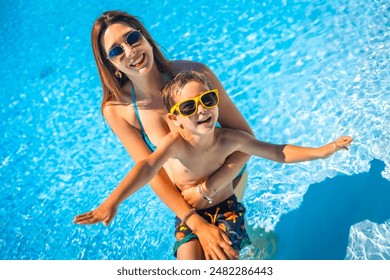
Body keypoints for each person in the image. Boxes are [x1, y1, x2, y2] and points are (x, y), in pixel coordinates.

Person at [74, 71, 354, 260]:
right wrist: (112, 202)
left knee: (221, 260)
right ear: (174, 120)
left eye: (207, 100)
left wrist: (321, 151)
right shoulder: (174, 143)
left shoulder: (230, 139)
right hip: (189, 213)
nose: (201, 110)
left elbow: (277, 152)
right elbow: (147, 167)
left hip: (227, 210)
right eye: (188, 107)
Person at [84, 10, 253, 260]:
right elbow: (154, 174)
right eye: (116, 50)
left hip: (226, 179)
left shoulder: (196, 75)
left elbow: (246, 139)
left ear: (146, 38)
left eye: (131, 38)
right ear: (110, 64)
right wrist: (196, 223)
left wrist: (208, 189)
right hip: (187, 199)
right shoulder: (119, 110)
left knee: (221, 258)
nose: (129, 51)